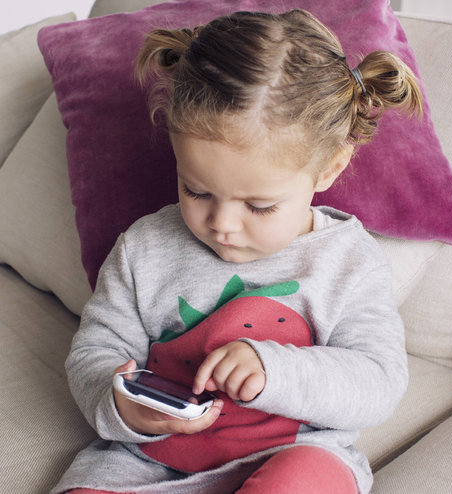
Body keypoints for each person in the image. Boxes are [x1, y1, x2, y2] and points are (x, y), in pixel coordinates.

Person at [53, 9, 422, 494]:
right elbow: (96, 350)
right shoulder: (144, 247)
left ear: (330, 168)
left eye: (260, 205)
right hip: (147, 465)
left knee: (306, 478)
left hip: (289, 459)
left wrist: (273, 367)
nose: (222, 225)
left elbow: (378, 382)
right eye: (197, 191)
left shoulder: (348, 263)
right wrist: (118, 402)